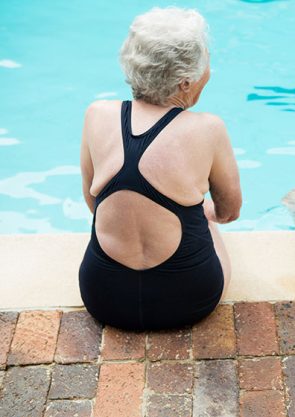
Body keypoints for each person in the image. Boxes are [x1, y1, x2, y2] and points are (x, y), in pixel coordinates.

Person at [79, 7, 241, 331]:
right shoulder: (208, 129)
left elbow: (93, 202)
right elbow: (229, 211)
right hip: (189, 299)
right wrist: (201, 208)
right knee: (205, 219)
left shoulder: (96, 114)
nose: (210, 70)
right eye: (206, 61)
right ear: (185, 82)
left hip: (103, 297)